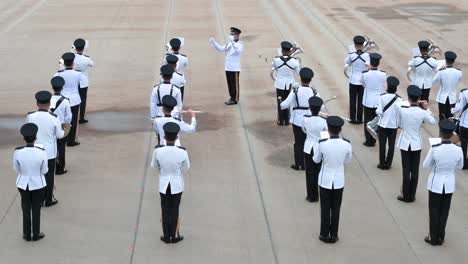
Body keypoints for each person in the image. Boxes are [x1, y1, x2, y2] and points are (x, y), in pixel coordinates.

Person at [422, 119, 463, 245]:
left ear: (440, 133)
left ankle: (433, 237)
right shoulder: (458, 150)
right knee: (444, 211)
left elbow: (425, 165)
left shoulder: (435, 148)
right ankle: (440, 236)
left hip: (436, 183)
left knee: (434, 210)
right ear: (452, 134)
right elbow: (460, 166)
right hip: (449, 184)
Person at [313, 116, 352, 244]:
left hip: (325, 180)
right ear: (340, 130)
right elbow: (348, 161)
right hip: (339, 181)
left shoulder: (322, 143)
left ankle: (324, 234)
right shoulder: (346, 144)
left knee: (325, 208)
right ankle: (334, 235)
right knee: (336, 209)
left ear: (328, 129)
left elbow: (316, 160)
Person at [151, 122, 190, 244]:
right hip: (177, 185)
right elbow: (186, 167)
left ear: (164, 137)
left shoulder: (158, 151)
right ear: (177, 137)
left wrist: (163, 171)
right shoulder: (182, 152)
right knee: (175, 210)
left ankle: (166, 236)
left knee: (165, 209)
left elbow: (154, 166)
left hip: (163, 184)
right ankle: (174, 236)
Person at [397, 85, 436, 203]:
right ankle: (412, 195)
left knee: (405, 170)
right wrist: (426, 108)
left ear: (408, 97)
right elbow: (433, 121)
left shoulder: (402, 108)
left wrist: (414, 101)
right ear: (419, 97)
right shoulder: (422, 112)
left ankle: (405, 194)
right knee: (415, 171)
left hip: (404, 142)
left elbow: (399, 123)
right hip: (416, 144)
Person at [26, 91, 64, 207]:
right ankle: (48, 199)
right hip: (49, 153)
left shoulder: (30, 116)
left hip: (34, 151)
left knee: (35, 175)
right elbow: (59, 135)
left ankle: (36, 199)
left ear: (37, 103)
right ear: (49, 104)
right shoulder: (54, 118)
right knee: (49, 176)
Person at [280, 67, 320, 170]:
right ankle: (308, 163)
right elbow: (321, 105)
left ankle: (299, 164)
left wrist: (280, 103)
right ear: (310, 79)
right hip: (310, 119)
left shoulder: (296, 90)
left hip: (298, 120)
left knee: (298, 142)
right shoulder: (314, 91)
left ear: (301, 78)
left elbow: (285, 105)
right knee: (310, 140)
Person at [14, 123, 48, 241]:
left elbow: (16, 169)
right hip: (38, 184)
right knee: (36, 209)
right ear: (36, 137)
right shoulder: (42, 152)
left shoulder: (18, 152)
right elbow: (45, 170)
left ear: (23, 138)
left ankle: (27, 234)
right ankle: (36, 233)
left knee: (26, 208)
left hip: (23, 184)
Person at [302, 97, 327, 202]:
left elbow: (303, 130)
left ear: (310, 108)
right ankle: (316, 195)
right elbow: (325, 136)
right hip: (319, 148)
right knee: (318, 172)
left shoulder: (305, 119)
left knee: (309, 172)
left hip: (308, 147)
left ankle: (310, 195)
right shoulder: (323, 121)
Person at [209, 27, 244, 105]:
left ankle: (235, 99)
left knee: (235, 84)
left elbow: (238, 51)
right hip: (228, 67)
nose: (231, 36)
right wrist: (214, 42)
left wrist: (232, 42)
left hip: (235, 68)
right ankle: (231, 97)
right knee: (230, 84)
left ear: (237, 35)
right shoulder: (229, 43)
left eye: (233, 34)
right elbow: (221, 49)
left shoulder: (240, 44)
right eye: (231, 34)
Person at [54, 52, 82, 147]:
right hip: (75, 99)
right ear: (73, 62)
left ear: (64, 63)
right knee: (73, 121)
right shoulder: (78, 73)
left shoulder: (58, 73)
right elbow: (80, 84)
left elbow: (54, 81)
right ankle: (71, 140)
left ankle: (63, 137)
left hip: (63, 98)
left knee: (62, 119)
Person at [375, 76, 402, 170]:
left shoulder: (382, 97)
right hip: (393, 125)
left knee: (382, 144)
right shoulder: (399, 100)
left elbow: (378, 111)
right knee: (391, 145)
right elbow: (400, 114)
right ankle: (388, 164)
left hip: (383, 124)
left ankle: (382, 163)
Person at [272, 41, 300, 126]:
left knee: (280, 102)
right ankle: (287, 120)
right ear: (289, 50)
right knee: (288, 102)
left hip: (279, 83)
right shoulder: (295, 62)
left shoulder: (276, 60)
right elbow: (298, 72)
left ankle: (281, 120)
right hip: (290, 83)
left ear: (282, 50)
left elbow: (275, 69)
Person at [362, 53, 386, 147]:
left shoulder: (365, 74)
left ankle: (368, 140)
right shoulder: (383, 74)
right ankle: (374, 139)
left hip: (368, 100)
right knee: (375, 121)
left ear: (370, 62)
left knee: (367, 121)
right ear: (378, 63)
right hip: (377, 101)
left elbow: (362, 83)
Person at [345, 35, 370, 124]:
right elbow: (368, 66)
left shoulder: (351, 55)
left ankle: (352, 118)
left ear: (355, 45)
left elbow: (347, 63)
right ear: (363, 45)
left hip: (353, 80)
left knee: (352, 100)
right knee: (360, 101)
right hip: (362, 81)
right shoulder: (367, 55)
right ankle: (359, 119)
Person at [49, 76, 72, 175]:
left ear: (52, 87)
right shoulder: (66, 101)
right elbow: (69, 117)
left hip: (50, 126)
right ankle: (60, 168)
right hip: (61, 127)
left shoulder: (48, 99)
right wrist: (66, 126)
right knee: (61, 147)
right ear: (62, 88)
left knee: (51, 146)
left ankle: (51, 166)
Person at [433, 51, 462, 120]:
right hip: (452, 98)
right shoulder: (459, 72)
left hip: (442, 98)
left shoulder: (441, 72)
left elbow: (432, 81)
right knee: (450, 117)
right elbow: (457, 82)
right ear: (454, 61)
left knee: (442, 117)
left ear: (445, 60)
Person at [73, 38, 94, 124]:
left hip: (74, 79)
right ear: (83, 48)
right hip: (83, 81)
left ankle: (73, 116)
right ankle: (81, 117)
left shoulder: (72, 57)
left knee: (74, 98)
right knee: (83, 99)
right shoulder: (86, 58)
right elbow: (92, 64)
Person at [451, 88, 468, 169]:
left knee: (464, 144)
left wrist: (452, 111)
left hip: (465, 124)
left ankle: (464, 163)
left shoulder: (465, 93)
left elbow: (459, 107)